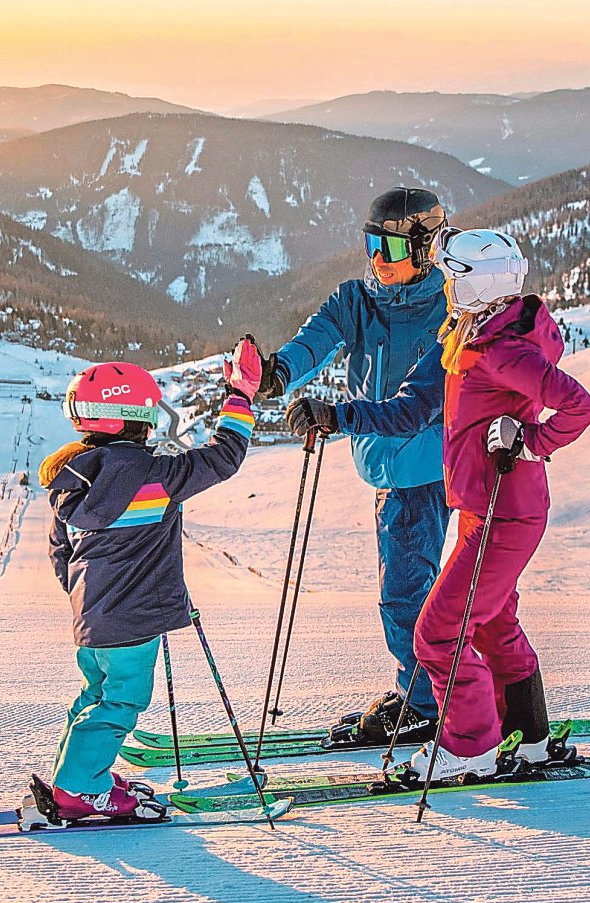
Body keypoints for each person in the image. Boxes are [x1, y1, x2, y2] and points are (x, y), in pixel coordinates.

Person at [290, 228, 590, 778]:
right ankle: (528, 736)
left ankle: (469, 746)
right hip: (486, 506)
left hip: (507, 510)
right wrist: (340, 416)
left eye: (456, 277)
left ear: (478, 286)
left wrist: (529, 442)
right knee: (493, 622)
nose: (446, 284)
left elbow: (578, 405)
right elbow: (412, 409)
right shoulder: (465, 337)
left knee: (437, 631)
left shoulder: (503, 351)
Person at [38, 339, 262, 821]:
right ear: (133, 420)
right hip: (132, 623)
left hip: (92, 621)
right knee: (121, 701)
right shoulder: (156, 475)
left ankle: (77, 774)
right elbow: (223, 458)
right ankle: (78, 789)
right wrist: (239, 396)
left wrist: (87, 597)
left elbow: (61, 553)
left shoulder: (70, 478)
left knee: (95, 695)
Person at [258, 187, 449, 744]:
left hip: (424, 468)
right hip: (384, 469)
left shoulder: (447, 310)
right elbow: (312, 343)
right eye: (370, 243)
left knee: (406, 591)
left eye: (387, 247)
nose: (375, 258)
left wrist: (338, 415)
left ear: (422, 248)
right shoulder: (356, 299)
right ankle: (428, 687)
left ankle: (424, 701)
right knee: (414, 586)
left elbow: (418, 407)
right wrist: (276, 374)